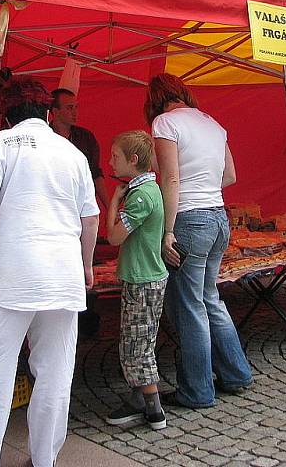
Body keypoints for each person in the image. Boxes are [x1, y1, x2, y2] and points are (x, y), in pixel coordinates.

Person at [0, 76, 99, 467]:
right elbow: (90, 218)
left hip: (13, 278)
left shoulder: (1, 144)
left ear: (5, 115)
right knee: (55, 375)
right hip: (64, 274)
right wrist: (86, 266)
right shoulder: (71, 152)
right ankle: (44, 460)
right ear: (48, 112)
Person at [145, 73, 253, 409]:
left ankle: (197, 391)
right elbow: (230, 176)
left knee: (191, 307)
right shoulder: (212, 124)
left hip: (190, 219)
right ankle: (236, 374)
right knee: (210, 299)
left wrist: (166, 231)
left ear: (155, 99)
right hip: (218, 217)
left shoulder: (165, 123)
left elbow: (171, 179)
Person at [104, 131, 168, 430]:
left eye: (115, 157)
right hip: (144, 276)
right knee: (140, 339)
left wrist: (114, 203)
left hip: (143, 279)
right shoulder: (147, 190)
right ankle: (139, 400)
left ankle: (154, 410)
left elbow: (114, 237)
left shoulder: (140, 196)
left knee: (136, 345)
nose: (110, 162)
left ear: (134, 160)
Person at [50, 88, 110, 210]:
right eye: (69, 108)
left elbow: (96, 174)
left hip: (81, 204)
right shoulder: (44, 137)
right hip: (53, 204)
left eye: (76, 107)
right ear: (55, 111)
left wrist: (109, 207)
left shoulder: (86, 137)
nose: (75, 112)